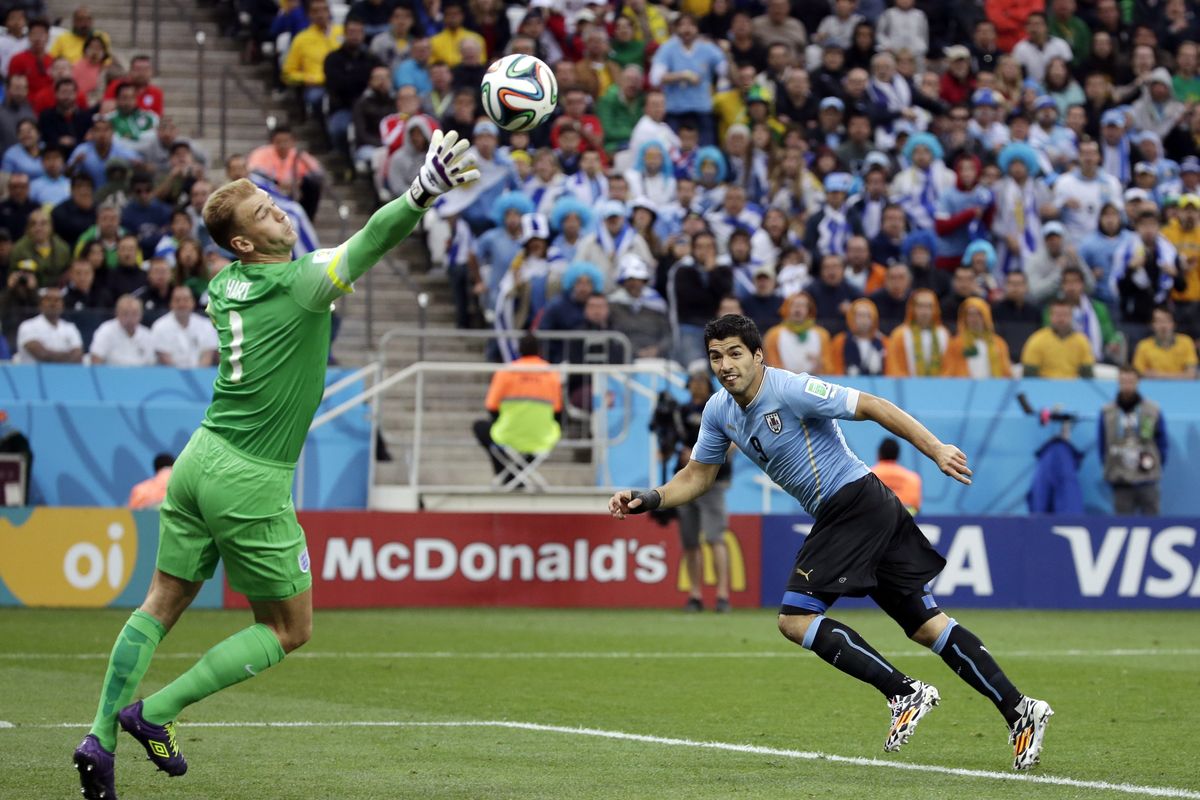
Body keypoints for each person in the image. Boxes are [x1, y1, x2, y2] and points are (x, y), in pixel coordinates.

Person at [71, 128, 480, 800]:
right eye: (264, 213)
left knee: (160, 603)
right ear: (243, 244)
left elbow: (311, 261)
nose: (279, 211)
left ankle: (98, 738)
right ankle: (154, 713)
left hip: (199, 460)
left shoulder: (226, 286)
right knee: (289, 628)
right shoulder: (296, 285)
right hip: (249, 477)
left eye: (273, 201)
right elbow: (369, 243)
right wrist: (419, 193)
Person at [608, 314, 1053, 770]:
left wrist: (935, 449)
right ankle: (1021, 710)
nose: (725, 365)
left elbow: (875, 404)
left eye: (735, 354)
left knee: (795, 619)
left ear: (758, 356)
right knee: (925, 624)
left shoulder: (789, 388)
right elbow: (698, 476)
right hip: (863, 508)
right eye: (716, 357)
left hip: (854, 501)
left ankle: (905, 692)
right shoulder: (718, 411)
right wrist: (650, 497)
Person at [674, 366, 732, 613]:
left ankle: (722, 595)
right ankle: (695, 594)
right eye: (693, 380)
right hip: (686, 480)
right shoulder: (682, 411)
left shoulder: (721, 407)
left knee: (714, 537)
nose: (697, 384)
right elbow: (671, 441)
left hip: (713, 479)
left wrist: (701, 456)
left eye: (701, 380)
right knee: (689, 540)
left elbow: (734, 442)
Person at [472, 333, 562, 481]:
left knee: (481, 427)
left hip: (508, 435)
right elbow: (557, 411)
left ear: (519, 349)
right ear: (540, 350)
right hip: (543, 437)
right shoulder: (551, 374)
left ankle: (507, 474)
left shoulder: (506, 372)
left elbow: (491, 408)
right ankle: (517, 475)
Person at [1099, 366, 1167, 515]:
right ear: (1118, 382)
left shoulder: (1152, 409)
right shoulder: (1108, 411)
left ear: (1138, 382)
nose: (1127, 384)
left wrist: (1155, 462)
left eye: (1131, 380)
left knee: (1152, 525)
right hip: (1120, 478)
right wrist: (1111, 466)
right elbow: (1102, 444)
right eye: (1123, 381)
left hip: (1147, 477)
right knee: (1122, 526)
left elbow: (1162, 441)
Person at [1020, 298, 1095, 378]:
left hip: (1073, 386)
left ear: (1071, 317)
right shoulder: (1037, 340)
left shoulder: (1082, 341)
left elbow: (1088, 374)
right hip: (1045, 386)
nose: (1061, 319)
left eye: (1065, 315)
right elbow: (1029, 374)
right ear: (1050, 316)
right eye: (1057, 315)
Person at [941, 297, 1013, 378]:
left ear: (986, 316)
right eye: (970, 314)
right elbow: (948, 372)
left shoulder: (999, 343)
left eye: (979, 314)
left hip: (993, 387)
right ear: (964, 318)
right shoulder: (955, 344)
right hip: (964, 388)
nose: (974, 318)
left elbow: (1006, 372)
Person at [150, 284, 219, 367]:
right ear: (170, 303)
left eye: (186, 300)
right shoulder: (159, 326)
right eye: (177, 300)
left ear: (193, 303)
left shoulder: (206, 325)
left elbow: (207, 356)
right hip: (170, 375)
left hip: (200, 375)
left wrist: (197, 377)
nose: (182, 304)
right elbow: (164, 358)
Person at [884, 289, 950, 377]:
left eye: (929, 306)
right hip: (907, 387)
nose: (925, 311)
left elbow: (949, 368)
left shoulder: (944, 334)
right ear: (912, 308)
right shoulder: (899, 335)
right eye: (920, 306)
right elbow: (894, 367)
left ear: (935, 309)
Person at [16, 287, 83, 363]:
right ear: (40, 304)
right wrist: (69, 356)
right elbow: (42, 355)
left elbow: (78, 356)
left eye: (57, 300)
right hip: (33, 374)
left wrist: (52, 355)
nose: (53, 303)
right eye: (48, 300)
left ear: (62, 305)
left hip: (64, 374)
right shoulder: (27, 326)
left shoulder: (70, 328)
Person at [1132, 305, 1198, 379]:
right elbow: (1137, 374)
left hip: (1182, 388)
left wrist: (1158, 376)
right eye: (1159, 321)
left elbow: (1191, 375)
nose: (1163, 326)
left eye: (1167, 321)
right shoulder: (1143, 346)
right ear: (1152, 325)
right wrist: (1181, 375)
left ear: (1174, 324)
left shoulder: (1186, 342)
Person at [828, 297, 886, 376]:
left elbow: (890, 371)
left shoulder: (884, 342)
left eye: (867, 316)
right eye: (860, 315)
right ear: (852, 318)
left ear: (874, 318)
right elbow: (836, 371)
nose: (863, 320)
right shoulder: (840, 341)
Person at [871, 437, 921, 515]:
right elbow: (916, 509)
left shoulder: (866, 477)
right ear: (897, 455)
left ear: (879, 454)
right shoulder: (913, 478)